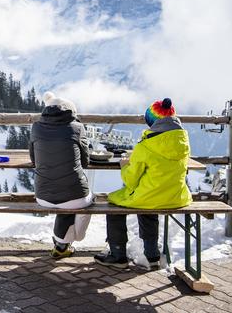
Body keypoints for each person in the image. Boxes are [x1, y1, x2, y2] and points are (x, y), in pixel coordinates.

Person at [94, 98, 192, 269]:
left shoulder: (145, 146)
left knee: (114, 205)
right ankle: (152, 255)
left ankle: (118, 255)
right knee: (149, 203)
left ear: (152, 121)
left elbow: (130, 181)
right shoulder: (182, 141)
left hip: (153, 196)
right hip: (177, 197)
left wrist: (125, 166)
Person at [29, 92, 93, 259]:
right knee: (88, 200)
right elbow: (85, 162)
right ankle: (76, 238)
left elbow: (34, 160)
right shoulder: (77, 128)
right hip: (75, 196)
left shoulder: (36, 127)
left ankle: (62, 245)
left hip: (42, 196)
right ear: (71, 112)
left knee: (66, 199)